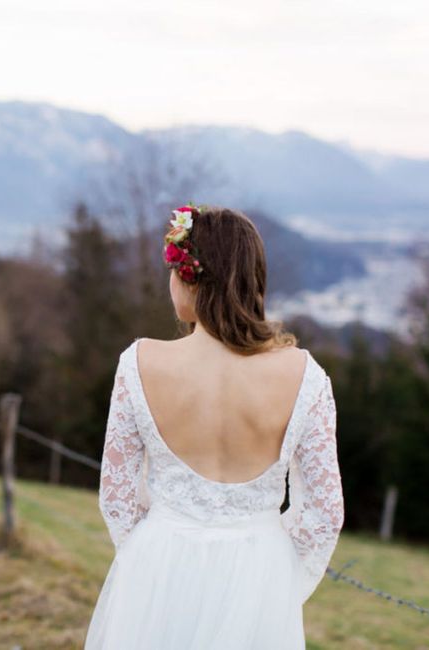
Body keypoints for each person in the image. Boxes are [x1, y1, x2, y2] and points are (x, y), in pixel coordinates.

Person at [84, 204, 344, 649]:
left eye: (173, 271)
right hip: (260, 572)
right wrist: (278, 580)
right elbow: (324, 515)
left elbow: (118, 499)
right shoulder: (305, 376)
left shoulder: (139, 363)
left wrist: (150, 553)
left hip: (159, 565)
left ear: (191, 277)